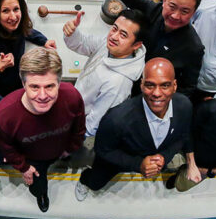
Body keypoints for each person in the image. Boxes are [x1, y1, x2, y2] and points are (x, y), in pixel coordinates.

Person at [81, 0, 205, 97]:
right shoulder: (153, 11)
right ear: (164, 0)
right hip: (120, 79)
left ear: (194, 12)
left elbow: (187, 89)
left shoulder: (194, 48)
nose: (175, 15)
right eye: (172, 6)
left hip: (150, 98)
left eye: (185, 11)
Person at [75, 58, 192, 199]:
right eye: (150, 85)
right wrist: (138, 164)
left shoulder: (184, 106)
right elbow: (103, 149)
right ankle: (84, 179)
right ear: (141, 85)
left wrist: (164, 156)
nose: (156, 93)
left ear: (174, 85)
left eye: (165, 86)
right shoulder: (116, 119)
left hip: (152, 153)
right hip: (122, 157)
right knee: (94, 183)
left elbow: (181, 137)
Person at [0, 48, 85, 212]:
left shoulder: (72, 96)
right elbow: (7, 148)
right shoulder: (4, 114)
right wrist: (24, 167)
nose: (42, 96)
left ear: (59, 82)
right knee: (38, 187)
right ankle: (41, 195)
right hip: (32, 160)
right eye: (34, 87)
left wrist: (70, 148)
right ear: (23, 83)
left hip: (61, 149)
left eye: (49, 86)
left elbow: (78, 128)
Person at [62, 7, 148, 136]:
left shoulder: (119, 83)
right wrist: (72, 33)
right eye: (114, 28)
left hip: (76, 125)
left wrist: (69, 136)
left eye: (123, 35)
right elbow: (82, 43)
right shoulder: (110, 45)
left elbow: (93, 124)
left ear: (136, 45)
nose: (114, 36)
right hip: (72, 106)